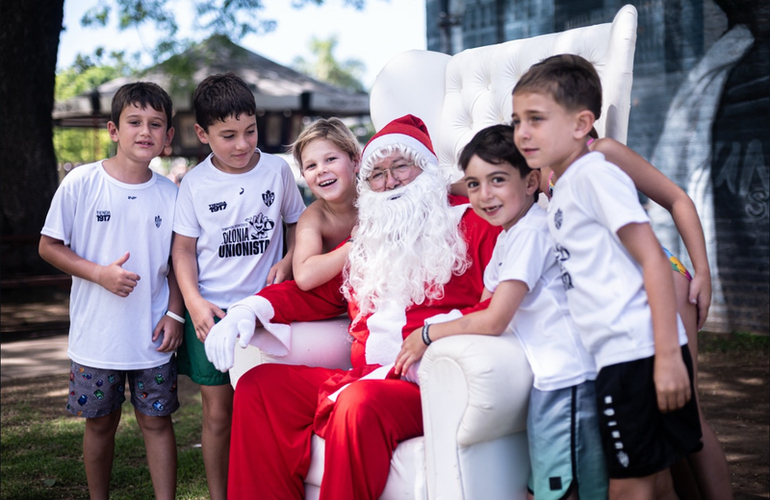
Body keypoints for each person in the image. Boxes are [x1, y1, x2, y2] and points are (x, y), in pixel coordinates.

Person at [204, 114, 501, 499]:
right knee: (259, 386)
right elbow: (313, 294)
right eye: (378, 173)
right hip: (367, 376)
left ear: (427, 170)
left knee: (358, 405)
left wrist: (438, 333)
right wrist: (249, 309)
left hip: (428, 381)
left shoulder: (473, 223)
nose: (390, 181)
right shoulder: (368, 239)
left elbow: (500, 301)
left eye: (400, 167)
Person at [511, 54, 703, 500]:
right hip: (625, 357)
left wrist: (668, 357)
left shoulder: (594, 174)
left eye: (536, 119)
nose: (522, 132)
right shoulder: (564, 186)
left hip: (635, 357)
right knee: (657, 481)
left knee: (628, 489)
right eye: (517, 119)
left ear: (582, 124)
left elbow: (653, 259)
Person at [395, 124, 607, 500]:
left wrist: (427, 334)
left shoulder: (533, 232)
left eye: (497, 180)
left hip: (571, 381)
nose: (483, 195)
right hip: (548, 381)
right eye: (474, 184)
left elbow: (494, 319)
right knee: (549, 491)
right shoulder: (509, 234)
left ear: (531, 183)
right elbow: (483, 303)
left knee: (563, 493)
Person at [541, 136, 732, 499]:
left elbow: (677, 198)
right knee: (659, 429)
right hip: (618, 293)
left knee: (688, 411)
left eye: (538, 117)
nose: (528, 130)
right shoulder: (542, 165)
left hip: (660, 275)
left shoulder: (600, 153)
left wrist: (703, 271)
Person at [39, 81, 182, 500]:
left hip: (152, 336)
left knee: (156, 422)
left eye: (156, 124)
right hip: (96, 336)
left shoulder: (173, 194)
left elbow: (179, 265)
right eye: (134, 121)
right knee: (100, 423)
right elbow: (48, 246)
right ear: (113, 130)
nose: (145, 131)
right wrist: (99, 273)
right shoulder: (82, 182)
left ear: (168, 136)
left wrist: (174, 314)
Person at [171, 72, 306, 500]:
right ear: (202, 133)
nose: (243, 144)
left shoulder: (277, 170)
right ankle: (220, 494)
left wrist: (288, 259)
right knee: (218, 414)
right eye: (228, 135)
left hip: (265, 311)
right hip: (212, 313)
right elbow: (183, 252)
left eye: (250, 131)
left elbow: (299, 224)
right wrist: (193, 303)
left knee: (267, 407)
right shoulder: (193, 185)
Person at [288, 117, 360, 291]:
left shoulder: (376, 200)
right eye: (311, 165)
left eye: (330, 159)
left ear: (355, 162)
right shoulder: (314, 218)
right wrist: (355, 243)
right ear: (304, 176)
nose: (321, 170)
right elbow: (304, 277)